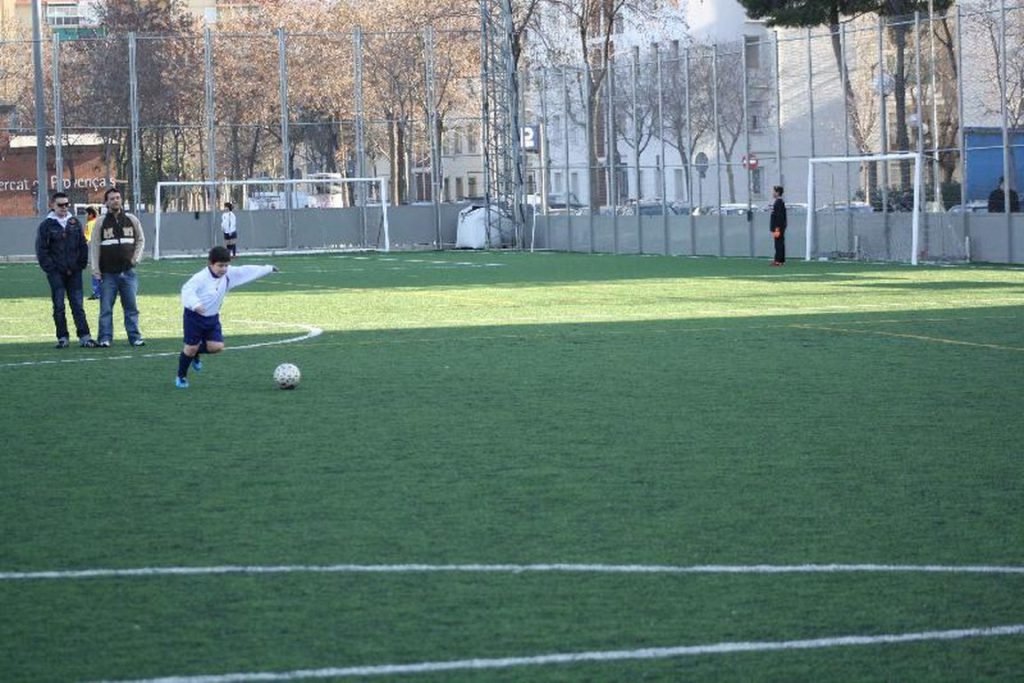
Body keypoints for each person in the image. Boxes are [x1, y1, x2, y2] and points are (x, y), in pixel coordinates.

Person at [175, 245, 278, 389]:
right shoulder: (200, 278)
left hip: (212, 318)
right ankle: (181, 376)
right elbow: (187, 290)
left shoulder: (228, 274)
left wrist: (267, 268)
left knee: (217, 347)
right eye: (220, 265)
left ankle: (195, 353)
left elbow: (246, 271)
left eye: (226, 265)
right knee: (190, 348)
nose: (223, 269)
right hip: (194, 317)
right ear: (210, 263)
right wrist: (196, 304)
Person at [35, 192, 96, 348]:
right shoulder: (46, 225)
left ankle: (85, 336)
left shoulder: (74, 222)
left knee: (77, 305)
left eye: (66, 204)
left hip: (74, 272)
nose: (64, 207)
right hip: (56, 273)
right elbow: (41, 250)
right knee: (59, 306)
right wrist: (51, 269)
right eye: (60, 205)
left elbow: (82, 245)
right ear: (52, 205)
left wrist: (80, 264)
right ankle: (62, 337)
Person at [89, 187, 146, 347]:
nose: (116, 201)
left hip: (128, 272)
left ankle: (135, 337)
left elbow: (141, 239)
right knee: (106, 308)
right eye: (112, 198)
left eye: (118, 198)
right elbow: (94, 246)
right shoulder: (100, 222)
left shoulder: (131, 219)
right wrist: (96, 270)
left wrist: (136, 258)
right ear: (106, 202)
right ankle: (105, 338)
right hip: (108, 273)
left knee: (131, 307)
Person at [83, 206, 101, 300]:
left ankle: (97, 293)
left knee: (95, 271)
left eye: (87, 213)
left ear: (91, 214)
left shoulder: (89, 224)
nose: (86, 215)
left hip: (94, 250)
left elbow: (86, 238)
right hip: (104, 250)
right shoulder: (100, 222)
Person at [769, 185, 787, 266]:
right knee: (780, 243)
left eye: (774, 192)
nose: (773, 193)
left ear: (778, 193)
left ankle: (778, 261)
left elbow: (779, 216)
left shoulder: (778, 203)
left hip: (778, 227)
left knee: (778, 244)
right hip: (779, 227)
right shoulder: (779, 202)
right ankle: (781, 260)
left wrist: (777, 228)